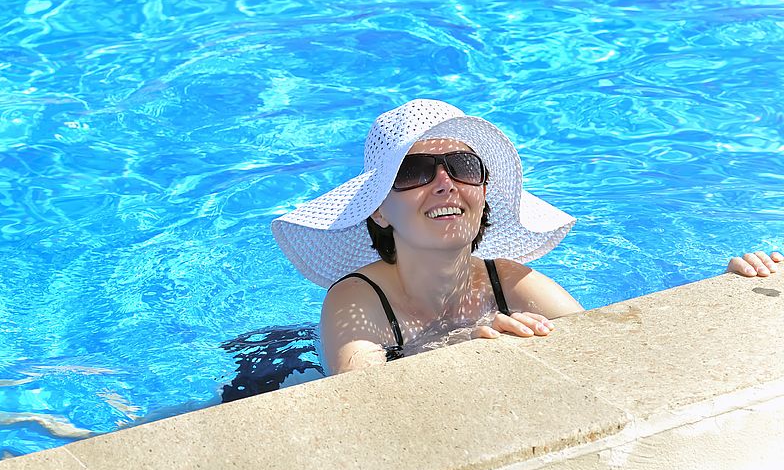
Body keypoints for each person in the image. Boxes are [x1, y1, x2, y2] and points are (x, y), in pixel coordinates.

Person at [272, 99, 782, 376]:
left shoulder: (506, 281)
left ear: (484, 192)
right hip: (283, 362)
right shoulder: (358, 300)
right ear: (379, 211)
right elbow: (357, 395)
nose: (444, 182)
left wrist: (727, 289)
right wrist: (453, 349)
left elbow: (616, 347)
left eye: (462, 166)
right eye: (416, 172)